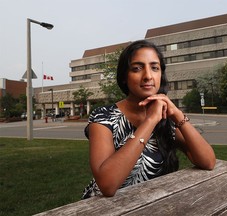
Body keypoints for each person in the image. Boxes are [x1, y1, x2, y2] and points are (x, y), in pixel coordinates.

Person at [82, 40, 216, 198]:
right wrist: (150, 121)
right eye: (137, 68)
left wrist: (177, 114)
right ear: (124, 76)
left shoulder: (166, 117)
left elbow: (208, 161)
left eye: (154, 68)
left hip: (150, 203)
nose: (147, 76)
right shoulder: (103, 116)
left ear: (161, 74)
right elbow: (107, 185)